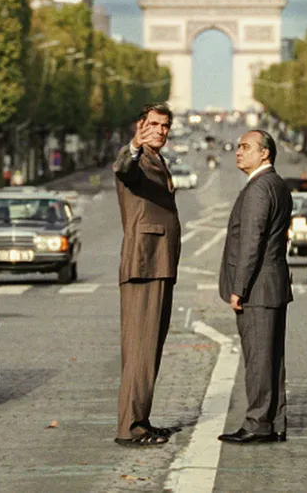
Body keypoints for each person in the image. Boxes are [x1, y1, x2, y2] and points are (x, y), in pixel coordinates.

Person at [217, 130, 292, 444]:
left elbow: (251, 242)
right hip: (272, 285)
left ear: (265, 153)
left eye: (246, 147)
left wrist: (239, 288)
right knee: (272, 359)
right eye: (238, 147)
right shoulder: (277, 184)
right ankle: (274, 422)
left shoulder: (258, 188)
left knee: (259, 359)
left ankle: (258, 424)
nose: (238, 151)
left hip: (258, 288)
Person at [112, 102, 181, 446]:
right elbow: (124, 168)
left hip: (158, 262)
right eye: (153, 124)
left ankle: (141, 418)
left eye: (164, 126)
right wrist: (134, 146)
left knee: (148, 347)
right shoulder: (137, 158)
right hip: (145, 262)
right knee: (140, 348)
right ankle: (130, 427)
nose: (160, 131)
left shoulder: (158, 159)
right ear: (140, 126)